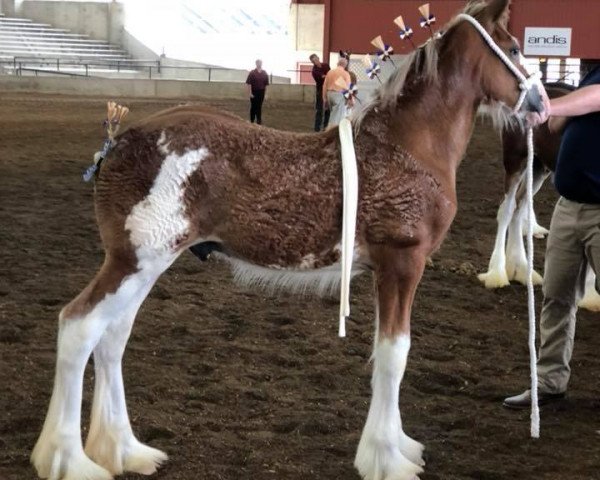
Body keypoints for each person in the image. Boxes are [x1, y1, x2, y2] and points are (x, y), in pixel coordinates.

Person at [504, 67, 600, 409]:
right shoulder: (593, 75)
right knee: (556, 297)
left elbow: (595, 99)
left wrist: (555, 107)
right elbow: (561, 121)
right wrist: (545, 111)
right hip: (569, 205)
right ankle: (549, 382)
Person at [322, 57, 351, 128]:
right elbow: (348, 88)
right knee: (337, 118)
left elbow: (324, 86)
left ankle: (330, 129)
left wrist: (325, 99)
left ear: (337, 64)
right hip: (338, 95)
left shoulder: (330, 72)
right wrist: (351, 99)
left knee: (333, 114)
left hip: (329, 94)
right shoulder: (345, 74)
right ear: (345, 65)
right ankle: (331, 131)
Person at [309, 53, 330, 132]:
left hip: (328, 89)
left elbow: (329, 75)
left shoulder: (326, 65)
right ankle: (317, 128)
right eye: (314, 60)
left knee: (328, 109)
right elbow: (325, 77)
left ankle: (326, 127)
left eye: (316, 59)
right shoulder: (314, 71)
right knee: (320, 110)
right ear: (312, 62)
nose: (316, 61)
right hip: (320, 91)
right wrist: (329, 75)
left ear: (318, 58)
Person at [246, 59, 269, 125]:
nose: (259, 64)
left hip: (261, 92)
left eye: (260, 63)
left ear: (262, 64)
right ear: (256, 64)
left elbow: (266, 84)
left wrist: (266, 94)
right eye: (258, 63)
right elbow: (249, 83)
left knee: (259, 106)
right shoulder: (252, 73)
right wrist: (250, 93)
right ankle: (252, 121)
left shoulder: (264, 73)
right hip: (254, 92)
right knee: (253, 106)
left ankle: (259, 121)